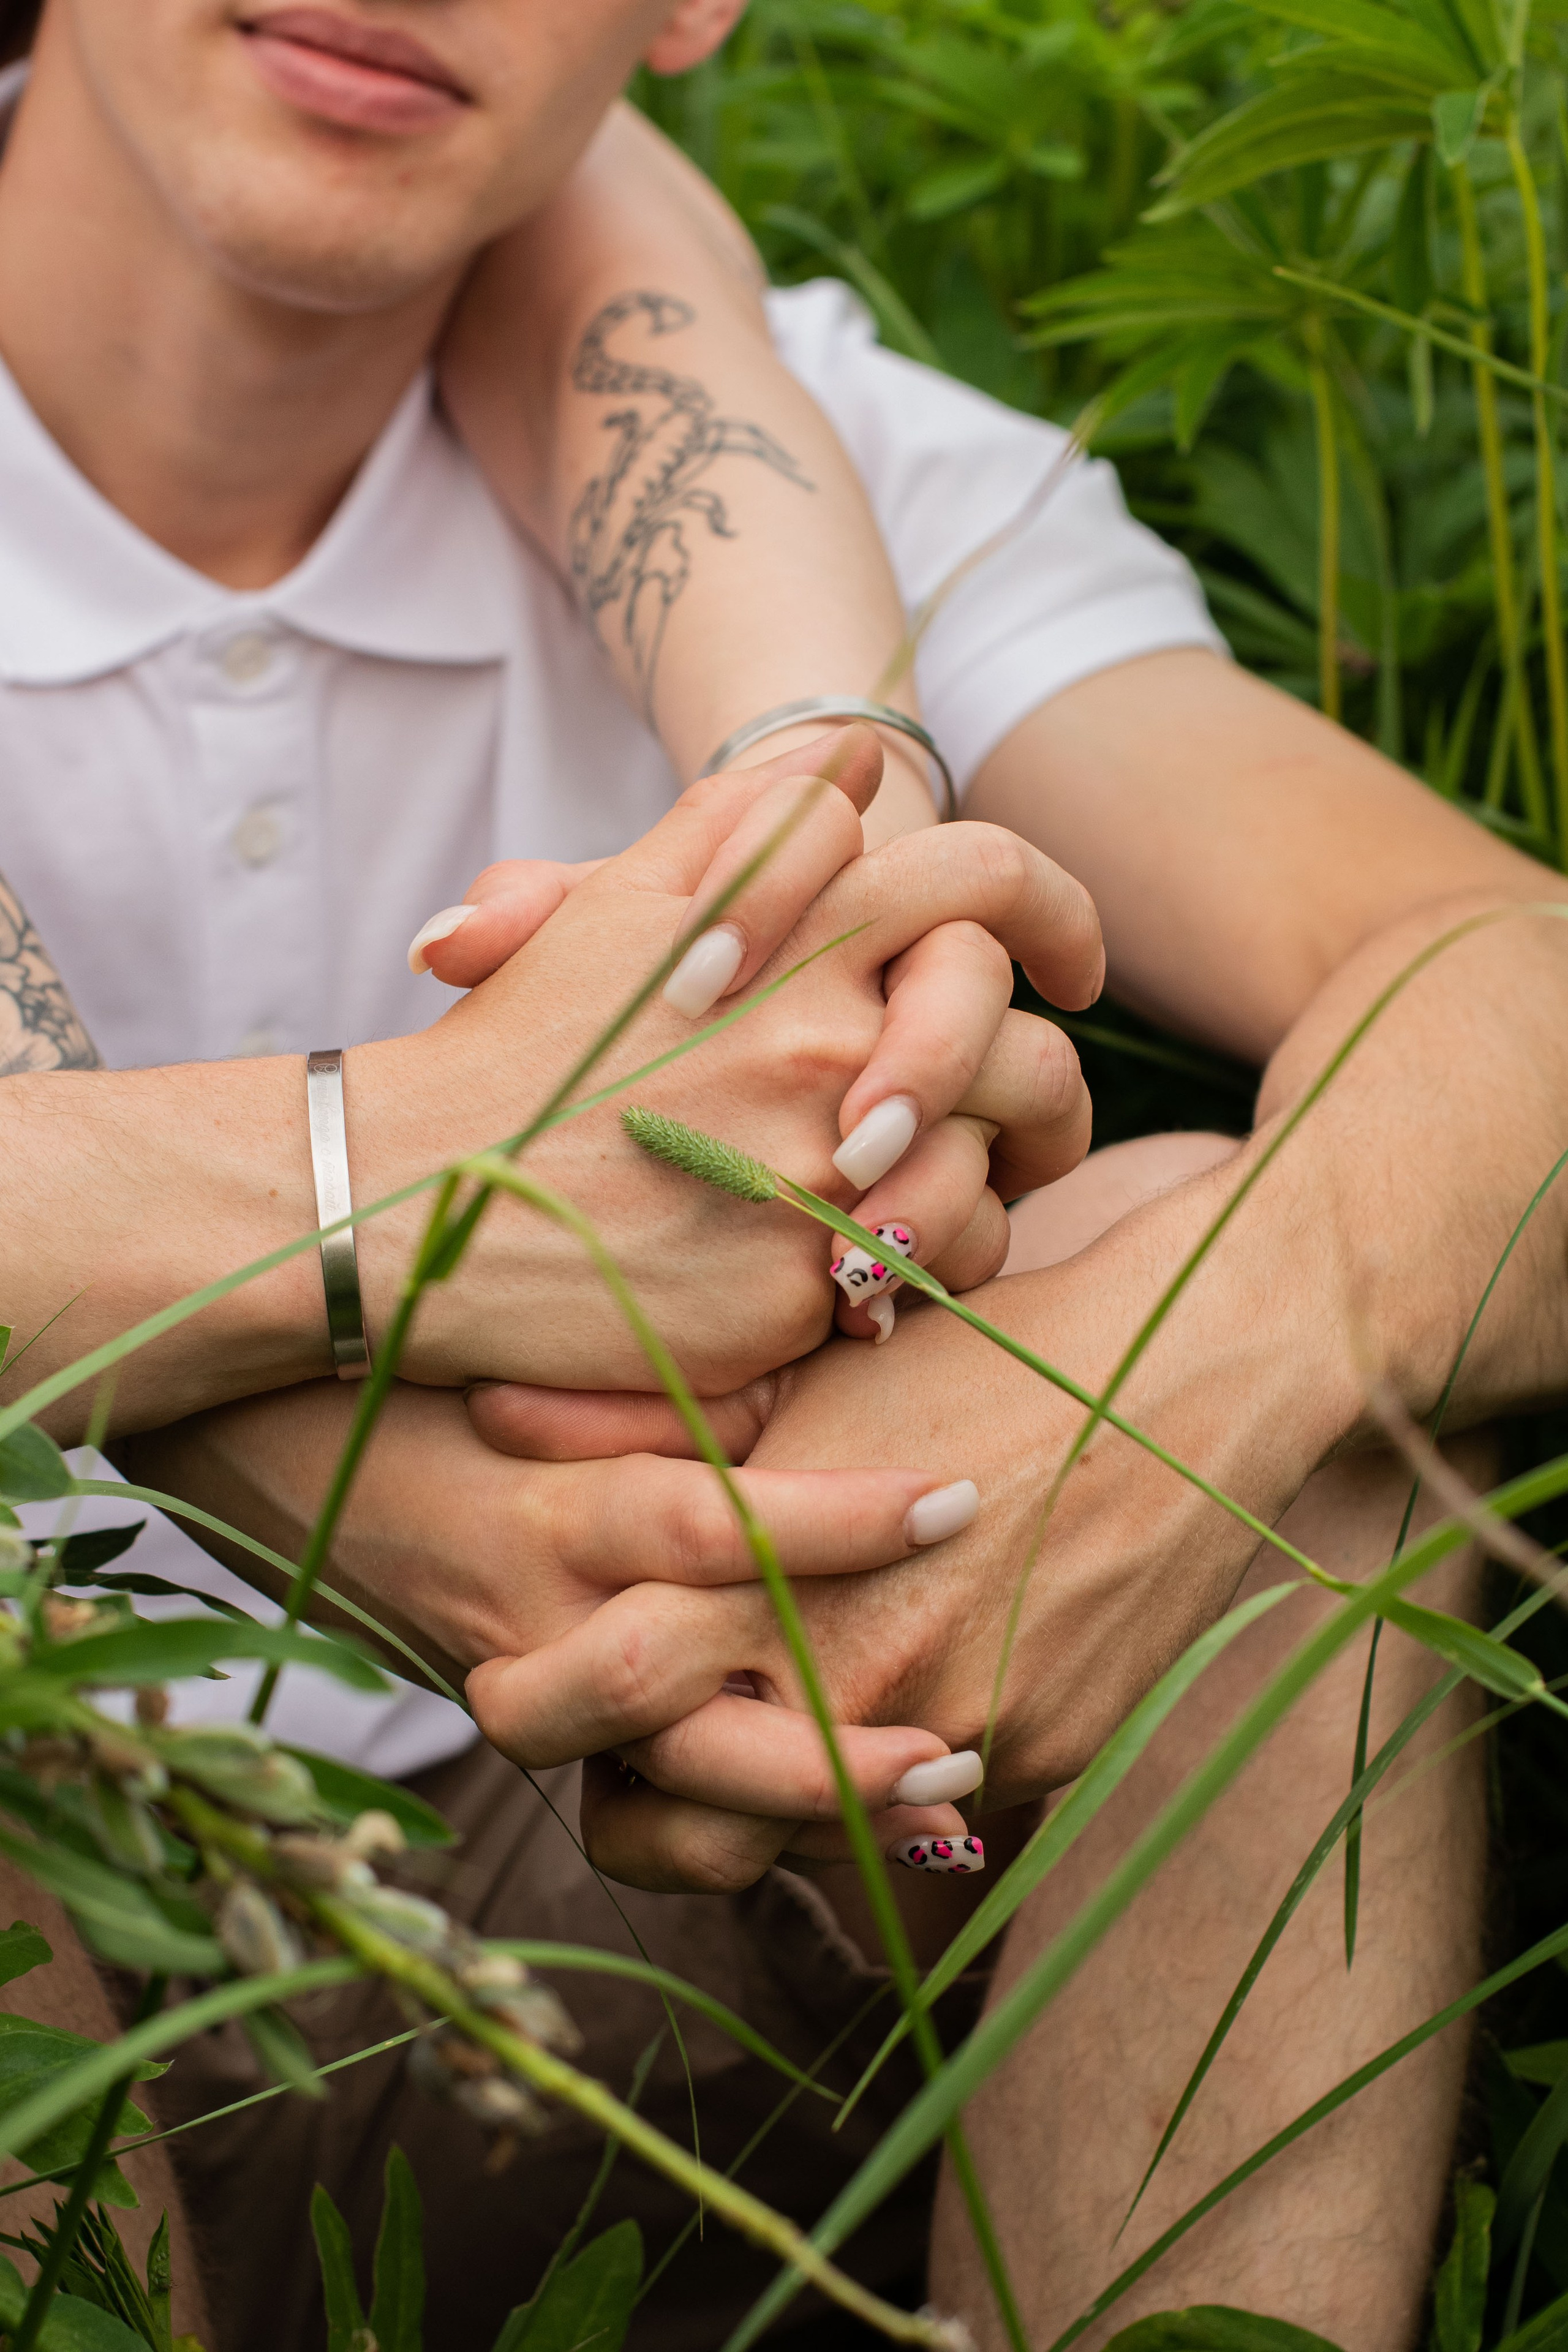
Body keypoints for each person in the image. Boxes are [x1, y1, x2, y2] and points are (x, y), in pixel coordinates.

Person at [0, 6, 1559, 2352]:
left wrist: (1179, 1408)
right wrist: (444, 1193)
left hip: (686, 1871)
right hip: (56, 1900)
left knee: (1235, 1304)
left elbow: (1509, 975)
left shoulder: (824, 465)